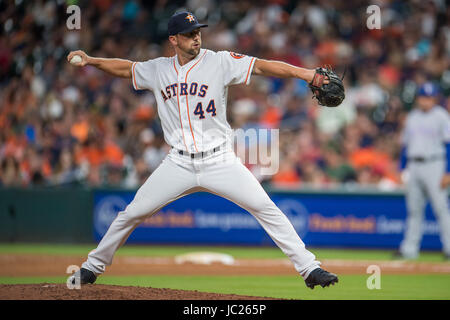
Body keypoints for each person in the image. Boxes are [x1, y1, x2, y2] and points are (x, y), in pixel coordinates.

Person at [68, 11, 338, 289]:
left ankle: (310, 269)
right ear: (173, 39)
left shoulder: (219, 61)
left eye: (197, 32)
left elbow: (262, 66)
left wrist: (306, 74)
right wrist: (91, 61)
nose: (196, 37)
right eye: (188, 34)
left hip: (220, 160)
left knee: (265, 207)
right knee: (132, 213)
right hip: (178, 163)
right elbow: (126, 68)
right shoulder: (159, 69)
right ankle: (91, 268)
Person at [396, 82, 450, 260]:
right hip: (414, 165)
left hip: (435, 164)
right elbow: (405, 146)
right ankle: (409, 250)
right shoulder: (412, 117)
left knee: (441, 208)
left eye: (429, 97)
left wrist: (447, 172)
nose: (425, 100)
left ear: (435, 98)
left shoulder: (442, 116)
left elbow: (448, 145)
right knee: (414, 210)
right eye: (423, 97)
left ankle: (449, 248)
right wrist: (401, 168)